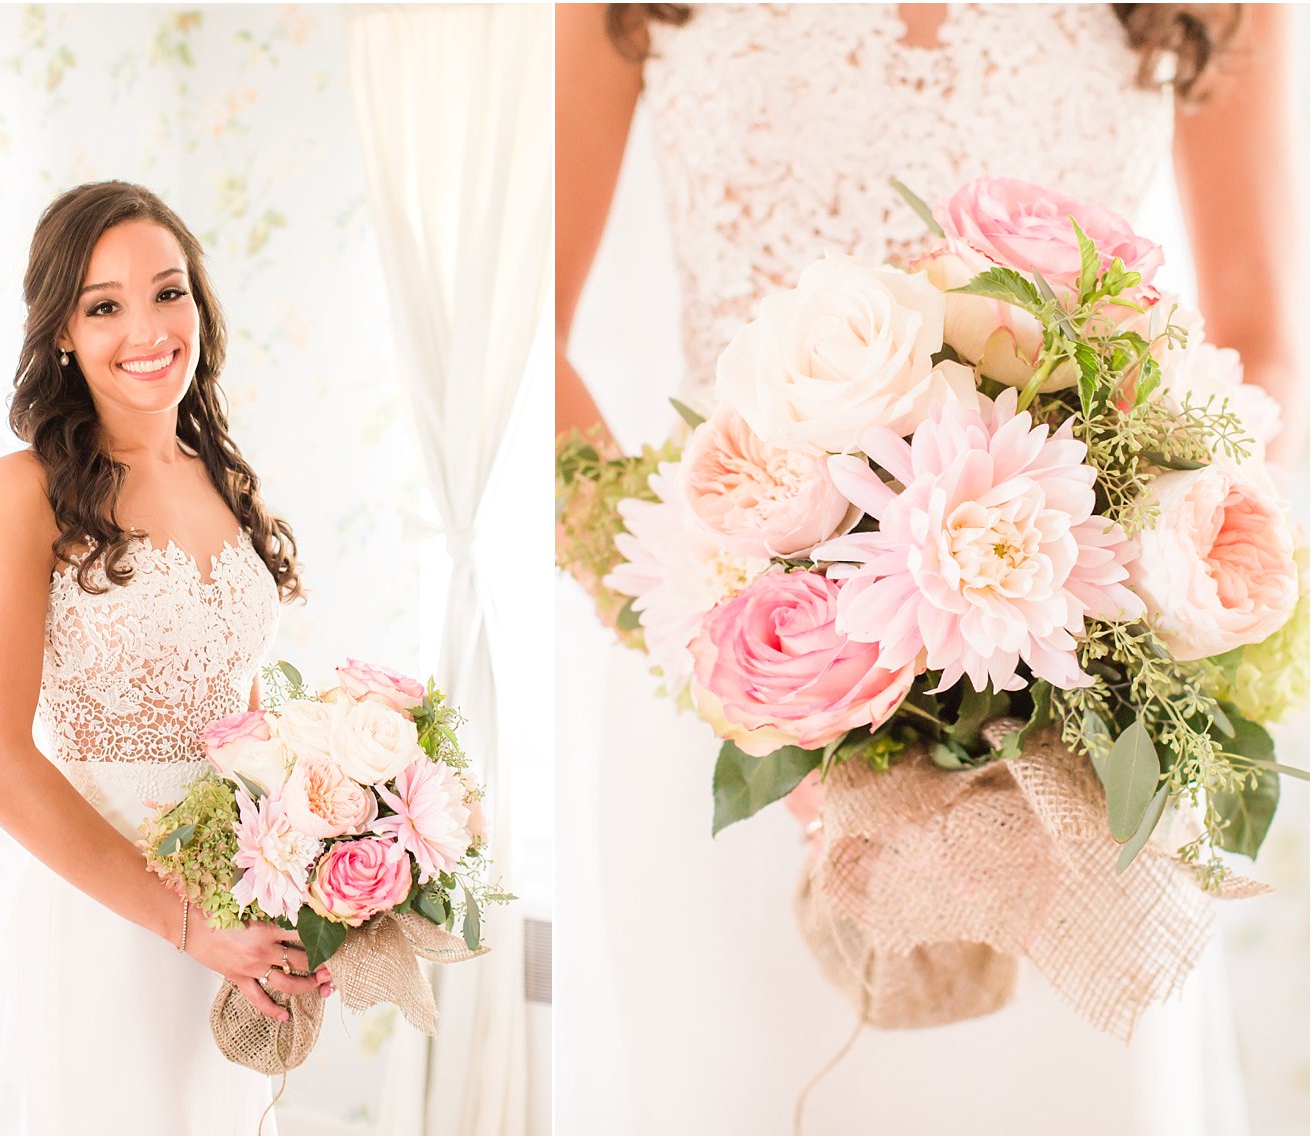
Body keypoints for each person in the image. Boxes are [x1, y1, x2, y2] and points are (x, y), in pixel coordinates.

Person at [555, 4, 1304, 1134]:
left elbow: (1259, 333)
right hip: (730, 688)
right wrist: (711, 639)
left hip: (1073, 703)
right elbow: (529, 332)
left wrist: (1120, 595)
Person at [0, 181, 332, 1134]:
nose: (147, 327)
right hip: (104, 920)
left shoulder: (223, 480)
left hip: (235, 914)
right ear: (61, 336)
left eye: (168, 292)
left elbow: (242, 724)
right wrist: (182, 923)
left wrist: (306, 894)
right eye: (104, 305)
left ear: (199, 304)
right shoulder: (21, 491)